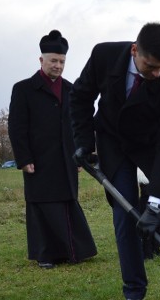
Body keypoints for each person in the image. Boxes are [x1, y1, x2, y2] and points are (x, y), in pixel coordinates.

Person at [69, 22, 160, 300]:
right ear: (135, 51)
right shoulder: (104, 57)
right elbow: (80, 97)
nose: (157, 73)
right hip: (113, 140)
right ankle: (134, 291)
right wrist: (83, 142)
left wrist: (156, 203)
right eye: (151, 66)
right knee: (124, 210)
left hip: (153, 144)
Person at [8, 30, 97, 269]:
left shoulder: (71, 90)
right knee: (42, 206)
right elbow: (16, 128)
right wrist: (24, 158)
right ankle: (46, 255)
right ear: (41, 60)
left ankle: (72, 252)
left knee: (68, 203)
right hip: (38, 161)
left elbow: (79, 125)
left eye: (62, 62)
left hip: (67, 160)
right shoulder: (24, 89)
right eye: (54, 61)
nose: (58, 66)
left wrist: (81, 156)